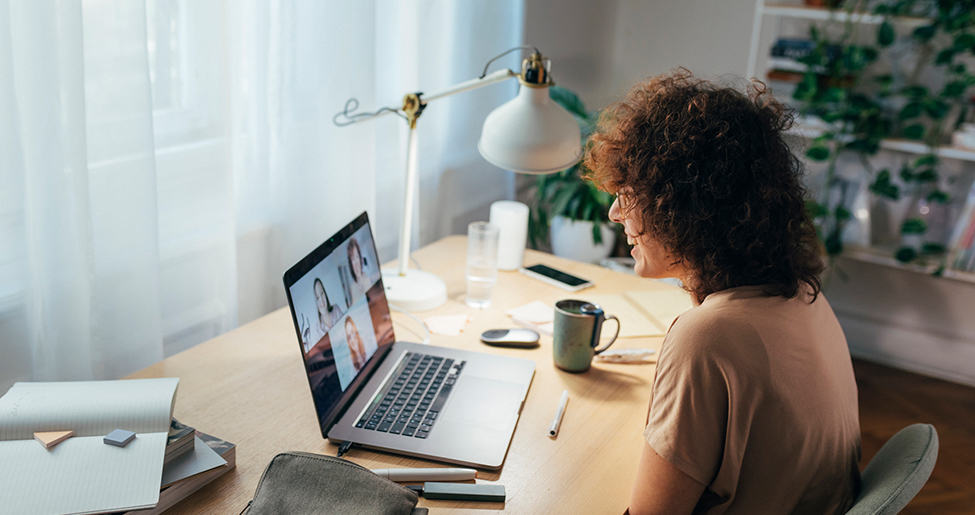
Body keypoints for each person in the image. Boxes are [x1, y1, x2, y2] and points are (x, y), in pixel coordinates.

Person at [584, 70, 861, 514]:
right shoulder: (804, 297)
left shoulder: (708, 336)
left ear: (682, 207)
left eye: (628, 193)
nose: (616, 212)